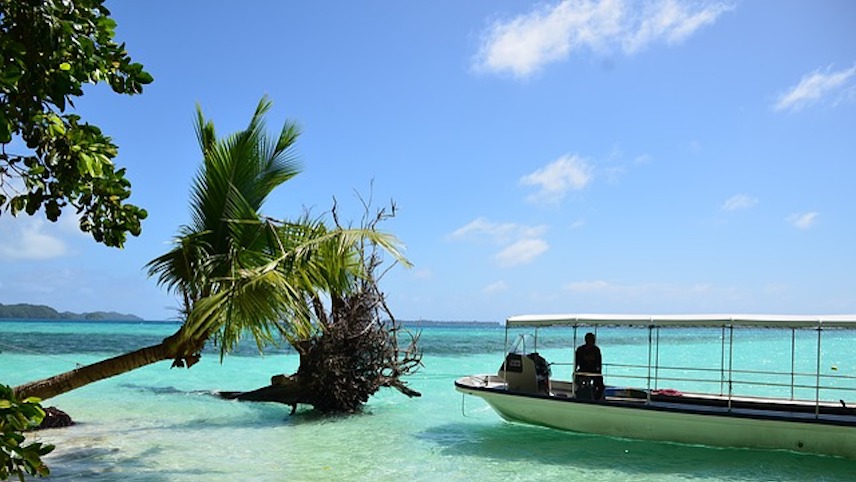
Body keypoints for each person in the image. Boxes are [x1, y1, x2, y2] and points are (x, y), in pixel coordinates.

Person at [574, 332, 604, 400]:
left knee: (601, 385)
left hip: (593, 372)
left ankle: (597, 398)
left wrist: (599, 374)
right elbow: (576, 362)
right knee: (577, 379)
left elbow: (599, 364)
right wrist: (575, 372)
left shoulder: (596, 349)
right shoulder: (580, 349)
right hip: (583, 371)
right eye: (592, 339)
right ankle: (579, 393)